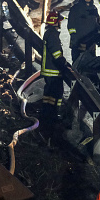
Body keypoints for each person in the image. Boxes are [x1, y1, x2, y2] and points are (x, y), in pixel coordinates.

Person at [40, 11, 70, 140]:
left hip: (49, 71)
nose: (61, 23)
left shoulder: (49, 33)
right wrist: (65, 65)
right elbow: (57, 55)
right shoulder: (52, 35)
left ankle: (46, 116)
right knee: (56, 96)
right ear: (55, 22)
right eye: (59, 21)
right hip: (54, 72)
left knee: (48, 96)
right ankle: (52, 118)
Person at [68, 0, 100, 68]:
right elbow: (71, 25)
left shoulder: (94, 9)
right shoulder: (75, 9)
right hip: (78, 43)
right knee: (77, 66)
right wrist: (75, 39)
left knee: (91, 66)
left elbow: (97, 24)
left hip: (90, 44)